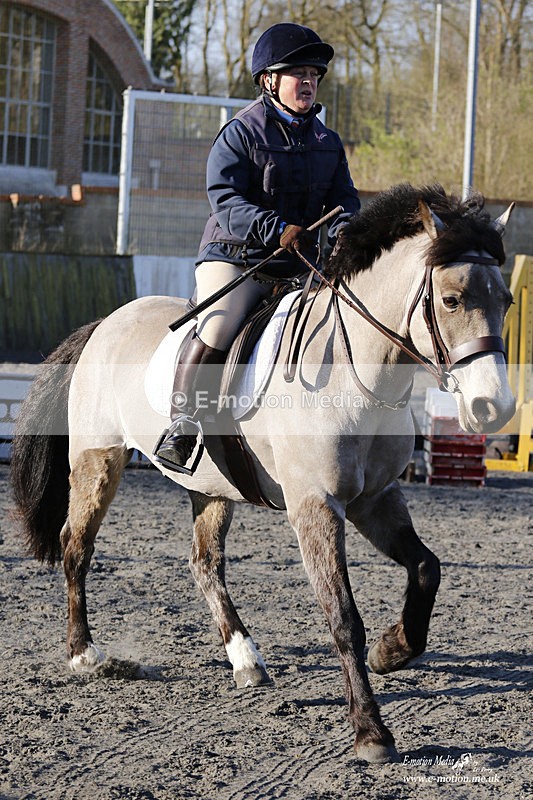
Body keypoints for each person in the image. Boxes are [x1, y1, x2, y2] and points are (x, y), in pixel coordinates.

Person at [153, 22, 361, 472]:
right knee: (219, 325)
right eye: (297, 73)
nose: (308, 82)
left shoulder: (328, 142)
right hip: (236, 257)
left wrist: (344, 227)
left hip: (299, 262)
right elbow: (225, 200)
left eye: (313, 74)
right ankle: (182, 424)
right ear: (269, 80)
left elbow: (345, 199)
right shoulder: (240, 133)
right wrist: (277, 228)